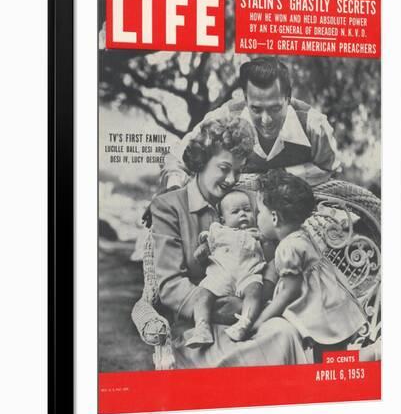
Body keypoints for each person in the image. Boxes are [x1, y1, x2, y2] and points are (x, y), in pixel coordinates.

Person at [150, 115, 309, 369]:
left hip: (249, 313)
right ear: (202, 161)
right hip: (199, 329)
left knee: (284, 332)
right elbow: (169, 285)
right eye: (224, 169)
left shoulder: (249, 201)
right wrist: (221, 309)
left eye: (238, 170)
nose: (232, 179)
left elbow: (271, 252)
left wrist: (253, 305)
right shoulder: (169, 207)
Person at [161, 56, 340, 190]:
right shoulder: (226, 116)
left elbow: (331, 173)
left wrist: (280, 177)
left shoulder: (313, 125)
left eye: (275, 109)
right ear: (245, 98)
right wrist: (174, 190)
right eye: (256, 109)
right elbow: (178, 157)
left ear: (288, 97)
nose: (266, 120)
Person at [253, 169, 368, 354]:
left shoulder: (287, 248)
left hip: (322, 315)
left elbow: (289, 292)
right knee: (333, 361)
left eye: (259, 213)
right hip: (336, 308)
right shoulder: (301, 234)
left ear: (274, 217)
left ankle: (370, 356)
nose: (256, 218)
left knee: (327, 363)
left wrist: (260, 321)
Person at [184, 189, 266, 348]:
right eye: (235, 212)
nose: (243, 214)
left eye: (247, 210)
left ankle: (244, 324)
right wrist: (203, 250)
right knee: (202, 293)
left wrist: (264, 239)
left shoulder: (258, 232)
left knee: (255, 290)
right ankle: (202, 327)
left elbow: (268, 256)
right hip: (220, 275)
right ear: (223, 219)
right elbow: (205, 247)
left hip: (248, 275)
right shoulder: (218, 231)